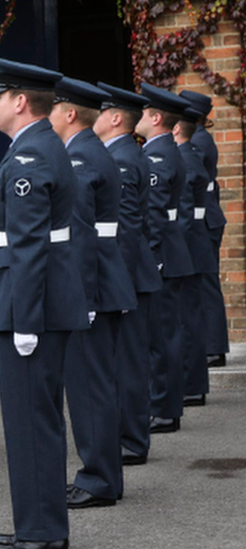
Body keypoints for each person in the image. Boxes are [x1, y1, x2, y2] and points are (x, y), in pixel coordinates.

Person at [0, 58, 88, 549]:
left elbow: (27, 245)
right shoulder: (39, 147)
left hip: (30, 309)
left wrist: (24, 320)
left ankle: (41, 533)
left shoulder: (30, 157)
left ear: (19, 102)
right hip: (36, 304)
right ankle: (42, 529)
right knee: (37, 419)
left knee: (31, 422)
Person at [50, 77, 136, 509]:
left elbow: (79, 237)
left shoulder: (80, 158)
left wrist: (78, 299)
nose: (47, 115)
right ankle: (104, 475)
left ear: (69, 114)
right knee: (97, 384)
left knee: (89, 388)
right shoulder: (84, 152)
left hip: (92, 288)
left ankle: (98, 478)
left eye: (54, 107)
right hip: (101, 283)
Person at [94, 82, 161, 466]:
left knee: (129, 363)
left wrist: (111, 280)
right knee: (124, 361)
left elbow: (125, 229)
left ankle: (132, 441)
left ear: (115, 118)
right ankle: (127, 435)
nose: (94, 119)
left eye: (100, 111)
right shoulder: (120, 154)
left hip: (129, 277)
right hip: (130, 274)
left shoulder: (120, 159)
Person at [135, 83, 194, 435]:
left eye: (143, 112)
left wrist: (151, 259)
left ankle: (164, 408)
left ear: (156, 118)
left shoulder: (157, 155)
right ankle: (164, 405)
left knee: (161, 337)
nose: (138, 118)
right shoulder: (161, 150)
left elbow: (154, 216)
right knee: (163, 335)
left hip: (164, 258)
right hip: (170, 255)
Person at [179, 90, 228, 368]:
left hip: (205, 219)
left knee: (206, 284)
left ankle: (214, 346)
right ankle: (213, 345)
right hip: (209, 216)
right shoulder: (200, 138)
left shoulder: (197, 141)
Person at [173, 106, 214, 407]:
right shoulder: (188, 157)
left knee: (187, 319)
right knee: (189, 317)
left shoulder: (186, 159)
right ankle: (193, 384)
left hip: (188, 249)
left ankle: (191, 385)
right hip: (194, 246)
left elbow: (184, 215)